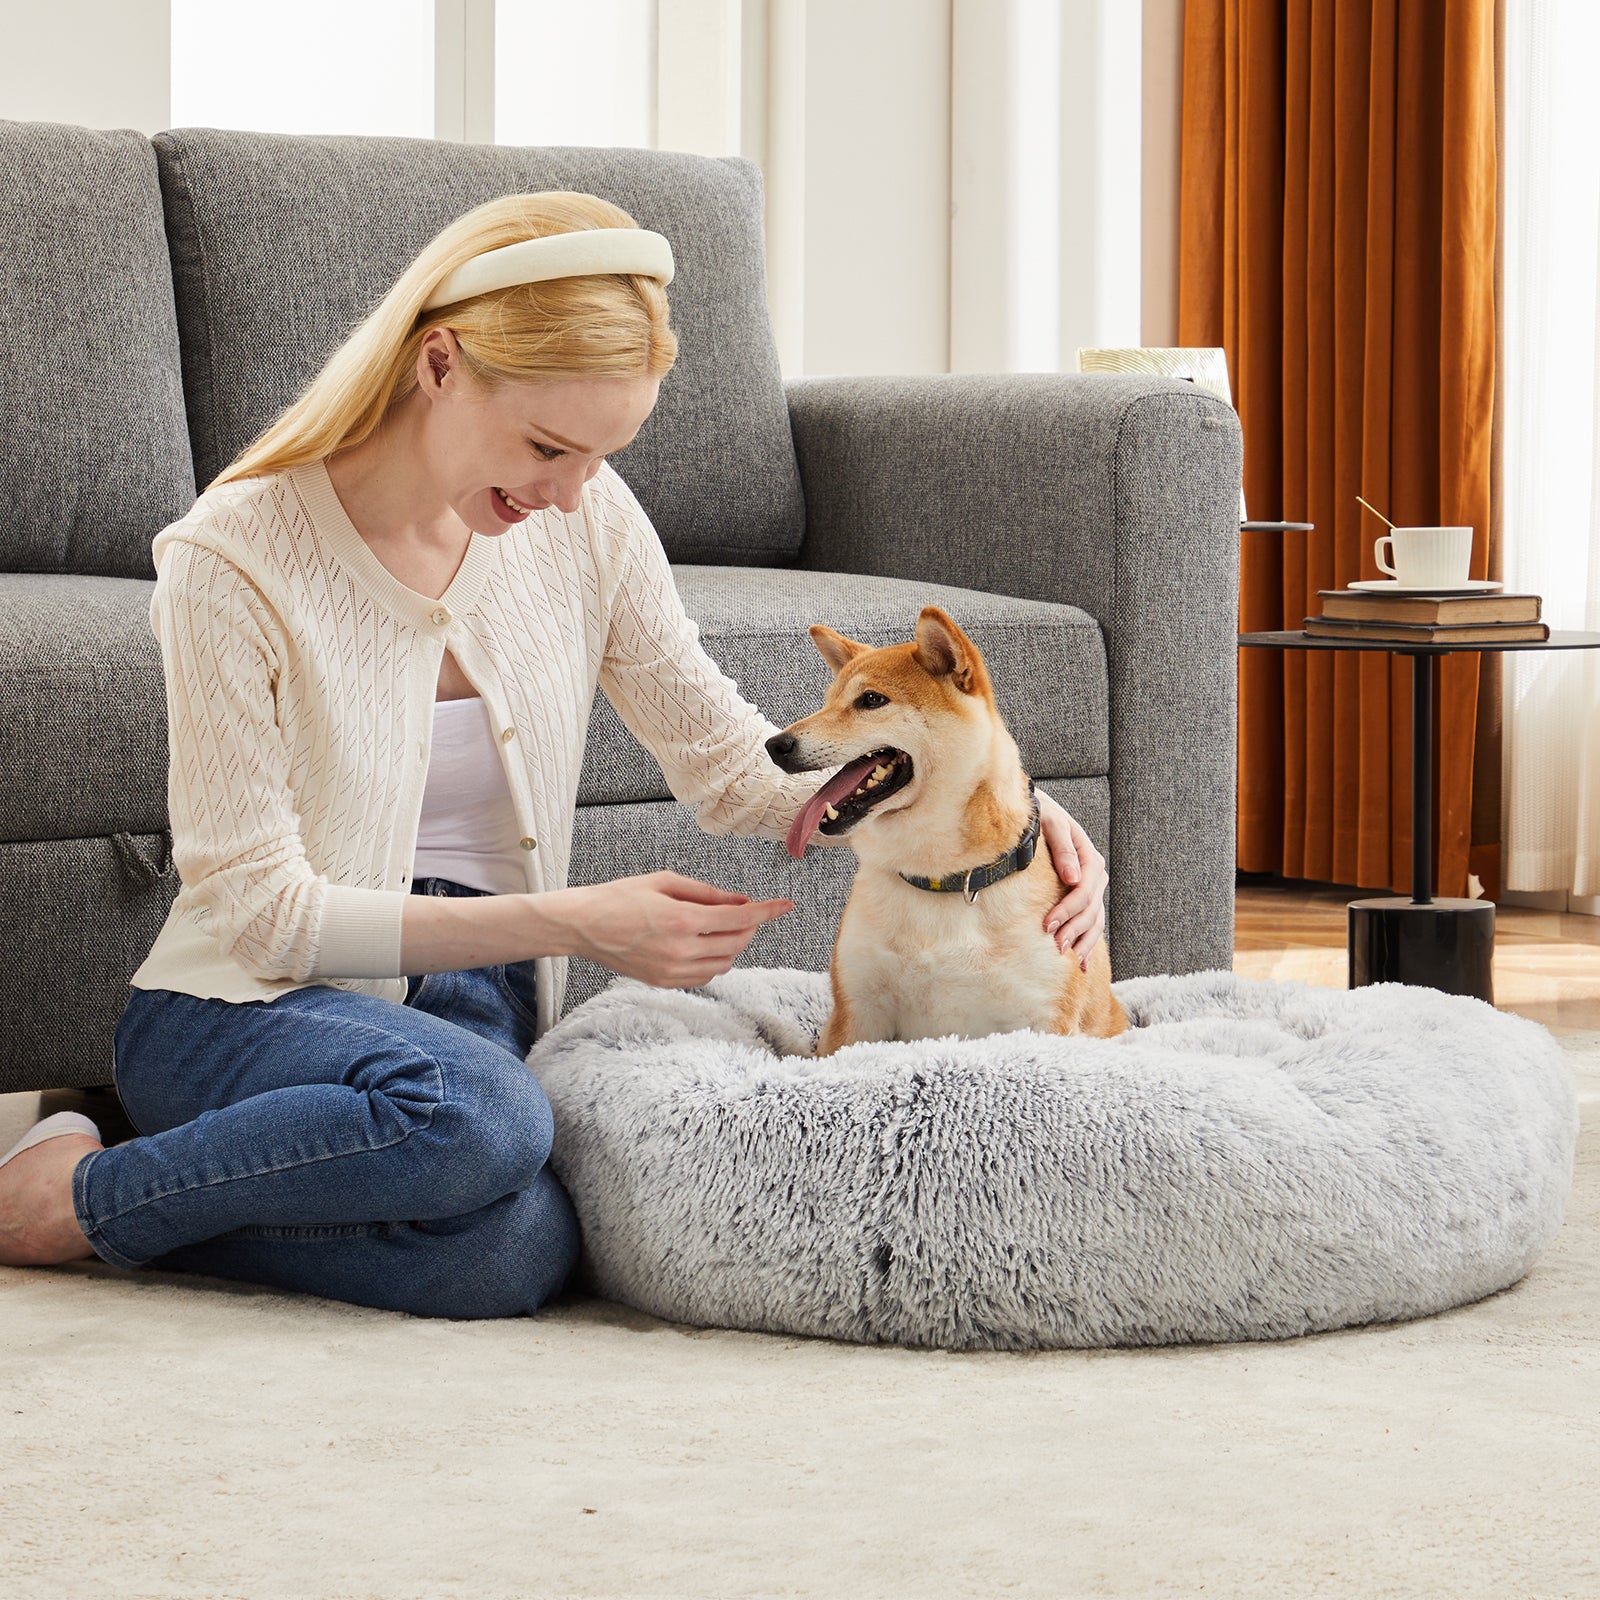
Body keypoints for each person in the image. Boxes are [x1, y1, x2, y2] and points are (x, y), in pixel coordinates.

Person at [0, 191, 1110, 1317]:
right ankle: (77, 1198)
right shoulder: (232, 557)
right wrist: (576, 919)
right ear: (439, 363)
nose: (569, 492)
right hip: (248, 1003)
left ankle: (146, 1157)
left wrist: (994, 817)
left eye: (600, 456)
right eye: (546, 446)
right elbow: (262, 917)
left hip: (469, 1013)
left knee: (518, 1253)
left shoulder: (587, 517)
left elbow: (734, 769)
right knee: (480, 1117)